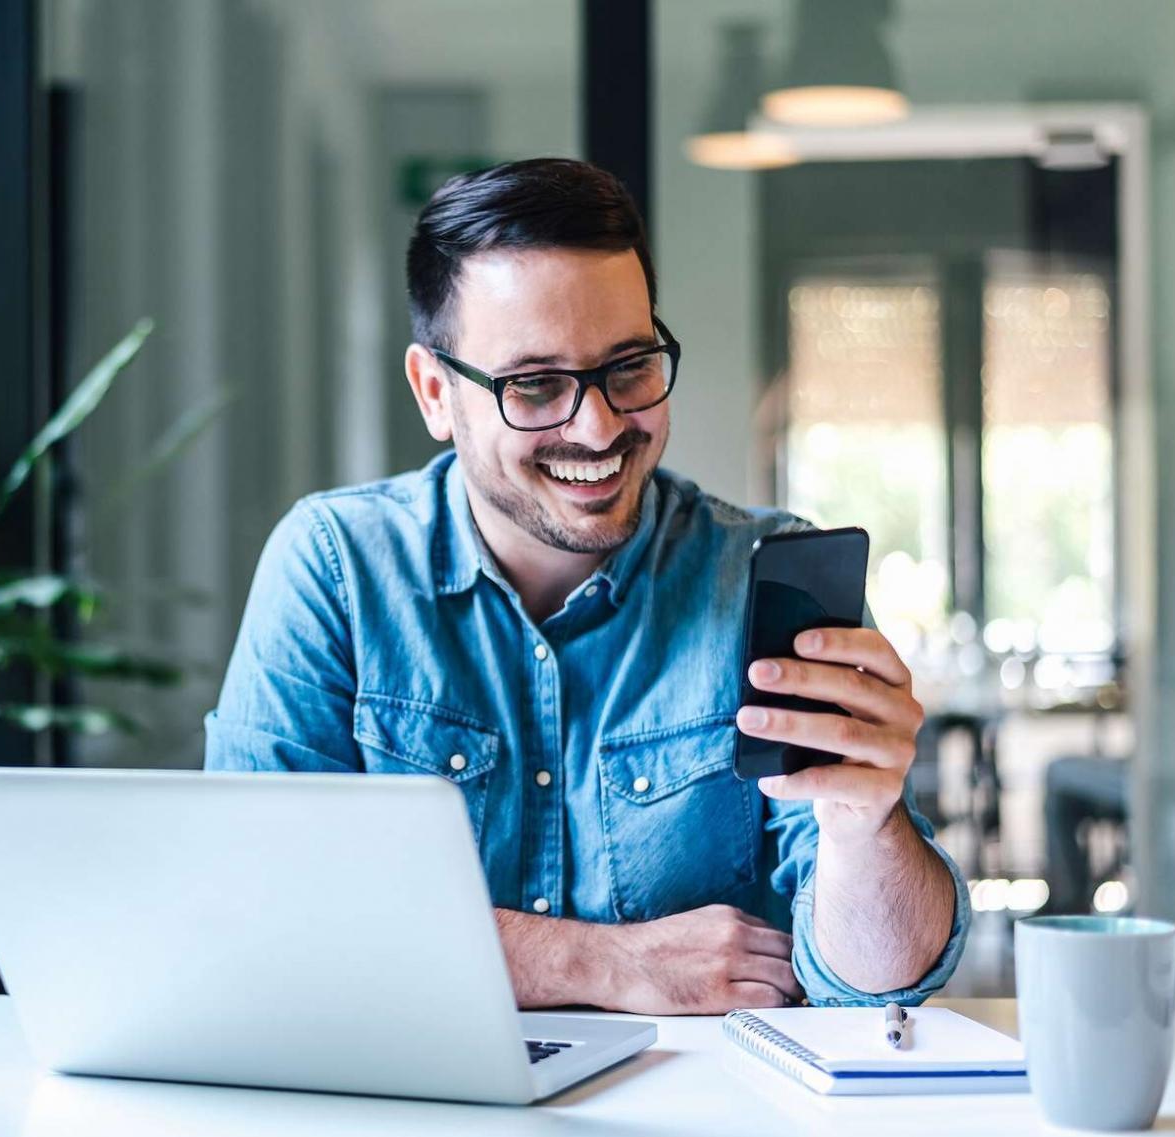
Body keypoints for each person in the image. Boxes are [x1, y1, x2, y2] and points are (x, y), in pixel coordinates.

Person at [203, 158, 967, 1014]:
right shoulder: (337, 567)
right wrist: (599, 963)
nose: (598, 427)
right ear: (434, 393)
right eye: (534, 384)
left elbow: (880, 987)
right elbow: (261, 914)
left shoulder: (762, 579)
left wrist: (868, 822)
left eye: (629, 366)